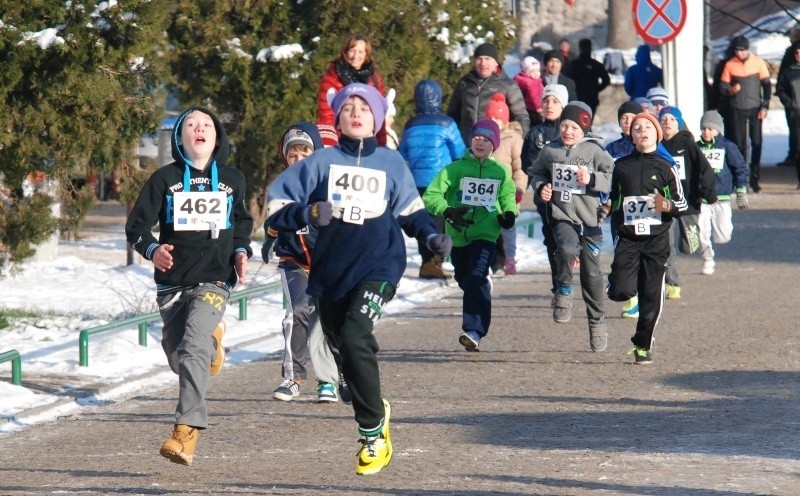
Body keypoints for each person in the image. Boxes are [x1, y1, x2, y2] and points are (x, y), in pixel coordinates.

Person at [265, 83, 452, 476]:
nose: (355, 112)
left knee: (354, 337)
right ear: (338, 116)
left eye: (363, 108)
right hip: (331, 271)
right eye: (347, 106)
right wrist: (309, 213)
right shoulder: (320, 163)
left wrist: (430, 235)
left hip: (380, 266)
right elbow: (277, 207)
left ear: (377, 118)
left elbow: (412, 212)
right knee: (342, 343)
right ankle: (370, 396)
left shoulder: (390, 162)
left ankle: (373, 436)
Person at [125, 107, 253, 466]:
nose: (199, 129)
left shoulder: (232, 179)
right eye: (192, 125)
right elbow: (136, 228)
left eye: (206, 125)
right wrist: (153, 250)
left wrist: (241, 251)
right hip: (172, 285)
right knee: (179, 355)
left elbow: (243, 221)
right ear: (181, 137)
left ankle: (186, 431)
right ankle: (213, 348)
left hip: (214, 279)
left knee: (192, 344)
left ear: (217, 136)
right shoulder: (163, 180)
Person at [262, 122, 347, 404]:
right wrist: (269, 237)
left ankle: (330, 380)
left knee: (328, 322)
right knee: (297, 311)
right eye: (292, 155)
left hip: (328, 265)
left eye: (305, 153)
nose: (298, 160)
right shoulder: (282, 187)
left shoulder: (329, 185)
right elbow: (273, 220)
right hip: (294, 263)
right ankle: (292, 378)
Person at [423, 118, 518, 352]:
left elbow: (508, 197)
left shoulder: (500, 172)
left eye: (486, 139)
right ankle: (481, 286)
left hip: (485, 233)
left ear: (494, 144)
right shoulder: (455, 169)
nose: (481, 142)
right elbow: (431, 195)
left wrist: (509, 213)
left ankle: (473, 330)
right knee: (466, 280)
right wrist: (447, 211)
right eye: (477, 138)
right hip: (457, 235)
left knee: (475, 277)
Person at [530, 101, 613, 352]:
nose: (567, 131)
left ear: (584, 130)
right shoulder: (550, 151)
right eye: (564, 125)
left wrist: (592, 179)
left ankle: (597, 322)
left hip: (590, 222)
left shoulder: (595, 151)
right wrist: (541, 188)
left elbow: (612, 177)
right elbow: (537, 173)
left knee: (592, 277)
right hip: (562, 215)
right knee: (565, 249)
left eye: (574, 127)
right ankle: (564, 290)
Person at [605, 112, 687, 364]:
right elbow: (615, 197)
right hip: (629, 238)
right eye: (637, 128)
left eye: (647, 128)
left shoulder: (666, 166)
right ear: (631, 136)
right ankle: (619, 284)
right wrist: (606, 207)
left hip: (656, 240)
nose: (642, 131)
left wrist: (666, 205)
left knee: (651, 295)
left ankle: (643, 344)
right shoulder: (621, 166)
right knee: (621, 290)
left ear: (656, 135)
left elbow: (683, 203)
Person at [399, 79, 467, 279]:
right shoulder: (447, 123)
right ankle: (436, 262)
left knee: (424, 222)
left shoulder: (410, 125)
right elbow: (459, 152)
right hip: (441, 180)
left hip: (417, 181)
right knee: (441, 220)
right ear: (438, 97)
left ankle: (427, 261)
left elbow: (402, 154)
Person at [658, 106, 718, 297]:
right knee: (666, 245)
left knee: (690, 246)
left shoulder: (688, 144)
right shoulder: (656, 145)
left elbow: (706, 169)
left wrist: (708, 193)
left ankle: (690, 244)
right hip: (666, 202)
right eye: (664, 119)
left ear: (679, 123)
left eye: (672, 120)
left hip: (688, 200)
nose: (667, 123)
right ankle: (672, 283)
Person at [522, 83, 569, 296]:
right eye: (546, 101)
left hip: (571, 198)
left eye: (555, 101)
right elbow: (527, 163)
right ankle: (558, 285)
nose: (550, 106)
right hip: (546, 196)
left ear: (564, 105)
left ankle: (571, 278)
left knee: (569, 242)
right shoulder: (535, 134)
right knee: (552, 240)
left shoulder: (571, 131)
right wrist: (543, 178)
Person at [696, 110, 749, 275]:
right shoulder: (696, 148)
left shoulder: (728, 146)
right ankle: (708, 259)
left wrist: (741, 191)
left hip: (722, 197)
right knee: (701, 231)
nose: (706, 132)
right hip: (702, 199)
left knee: (723, 235)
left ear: (718, 129)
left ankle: (722, 234)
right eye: (704, 128)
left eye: (710, 129)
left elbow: (740, 168)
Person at [447, 42, 530, 145]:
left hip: (496, 148)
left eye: (487, 59)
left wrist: (521, 143)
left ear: (495, 62)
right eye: (479, 59)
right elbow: (452, 114)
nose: (483, 63)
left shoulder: (508, 85)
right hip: (467, 146)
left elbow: (521, 117)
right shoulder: (464, 83)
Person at [719, 35, 771, 192]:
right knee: (739, 144)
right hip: (737, 108)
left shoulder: (758, 62)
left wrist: (765, 107)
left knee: (756, 142)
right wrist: (731, 90)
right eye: (736, 50)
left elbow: (767, 86)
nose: (739, 53)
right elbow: (723, 86)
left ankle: (755, 177)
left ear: (747, 49)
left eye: (741, 50)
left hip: (755, 108)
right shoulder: (730, 64)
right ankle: (741, 178)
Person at [317, 34, 387, 145]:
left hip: (368, 143)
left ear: (366, 54)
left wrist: (381, 144)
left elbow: (380, 116)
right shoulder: (332, 79)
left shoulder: (374, 79)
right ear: (345, 52)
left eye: (360, 52)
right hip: (341, 143)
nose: (355, 56)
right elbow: (327, 117)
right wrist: (331, 144)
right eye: (352, 50)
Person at [484, 94, 526, 275]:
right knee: (488, 228)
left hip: (507, 192)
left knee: (507, 228)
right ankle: (492, 260)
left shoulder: (513, 139)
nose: (494, 122)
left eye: (497, 118)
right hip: (486, 193)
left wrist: (519, 189)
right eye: (490, 118)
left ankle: (510, 257)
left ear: (505, 120)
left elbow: (520, 168)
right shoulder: (483, 137)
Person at [566, 38, 610, 118]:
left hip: (578, 97)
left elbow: (568, 80)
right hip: (590, 98)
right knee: (587, 123)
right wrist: (596, 89)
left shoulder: (574, 64)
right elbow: (606, 80)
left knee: (578, 123)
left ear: (580, 49)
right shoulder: (596, 64)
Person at [777, 42, 800, 186]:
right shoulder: (788, 71)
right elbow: (780, 89)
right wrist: (790, 103)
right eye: (797, 53)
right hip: (796, 114)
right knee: (798, 149)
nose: (799, 55)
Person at [514, 55, 545, 126]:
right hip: (532, 109)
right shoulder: (530, 83)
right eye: (532, 71)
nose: (536, 73)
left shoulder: (528, 80)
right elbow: (533, 96)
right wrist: (538, 108)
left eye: (537, 70)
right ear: (526, 72)